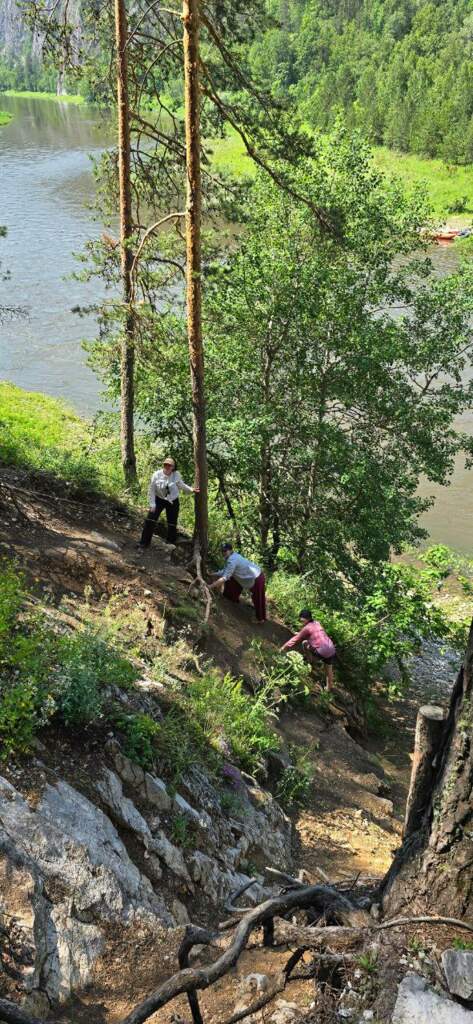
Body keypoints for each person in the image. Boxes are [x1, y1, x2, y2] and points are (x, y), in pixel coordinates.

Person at [138, 457, 198, 548]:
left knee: (172, 522)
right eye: (165, 464)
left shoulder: (176, 475)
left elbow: (181, 485)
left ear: (173, 467)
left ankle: (170, 543)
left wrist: (191, 489)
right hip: (159, 499)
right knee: (150, 520)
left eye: (169, 465)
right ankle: (144, 543)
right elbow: (151, 490)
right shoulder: (156, 475)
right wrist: (152, 504)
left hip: (173, 500)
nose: (167, 466)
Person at [209, 542, 266, 622]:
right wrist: (213, 574)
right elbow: (226, 571)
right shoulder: (232, 556)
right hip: (254, 575)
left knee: (258, 598)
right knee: (231, 578)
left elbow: (225, 577)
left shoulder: (232, 560)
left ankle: (260, 619)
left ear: (230, 550)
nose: (223, 553)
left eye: (225, 551)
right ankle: (231, 598)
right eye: (222, 551)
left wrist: (210, 586)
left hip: (256, 577)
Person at [280, 609, 336, 690]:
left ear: (305, 618)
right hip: (331, 648)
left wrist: (283, 648)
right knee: (328, 668)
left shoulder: (307, 628)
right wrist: (301, 634)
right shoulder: (317, 623)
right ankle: (328, 688)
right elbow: (316, 634)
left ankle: (311, 661)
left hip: (321, 651)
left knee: (304, 643)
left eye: (301, 619)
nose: (300, 621)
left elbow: (295, 640)